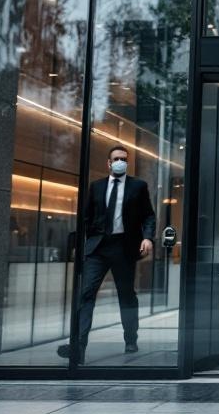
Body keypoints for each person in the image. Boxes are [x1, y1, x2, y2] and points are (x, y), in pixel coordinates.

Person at [58, 145, 156, 365]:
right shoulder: (97, 187)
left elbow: (148, 215)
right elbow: (86, 217)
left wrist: (148, 238)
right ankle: (79, 346)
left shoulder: (138, 187)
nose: (121, 162)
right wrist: (83, 242)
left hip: (124, 247)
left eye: (124, 159)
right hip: (98, 249)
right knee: (86, 294)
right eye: (117, 159)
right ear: (109, 163)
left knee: (126, 295)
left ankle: (131, 338)